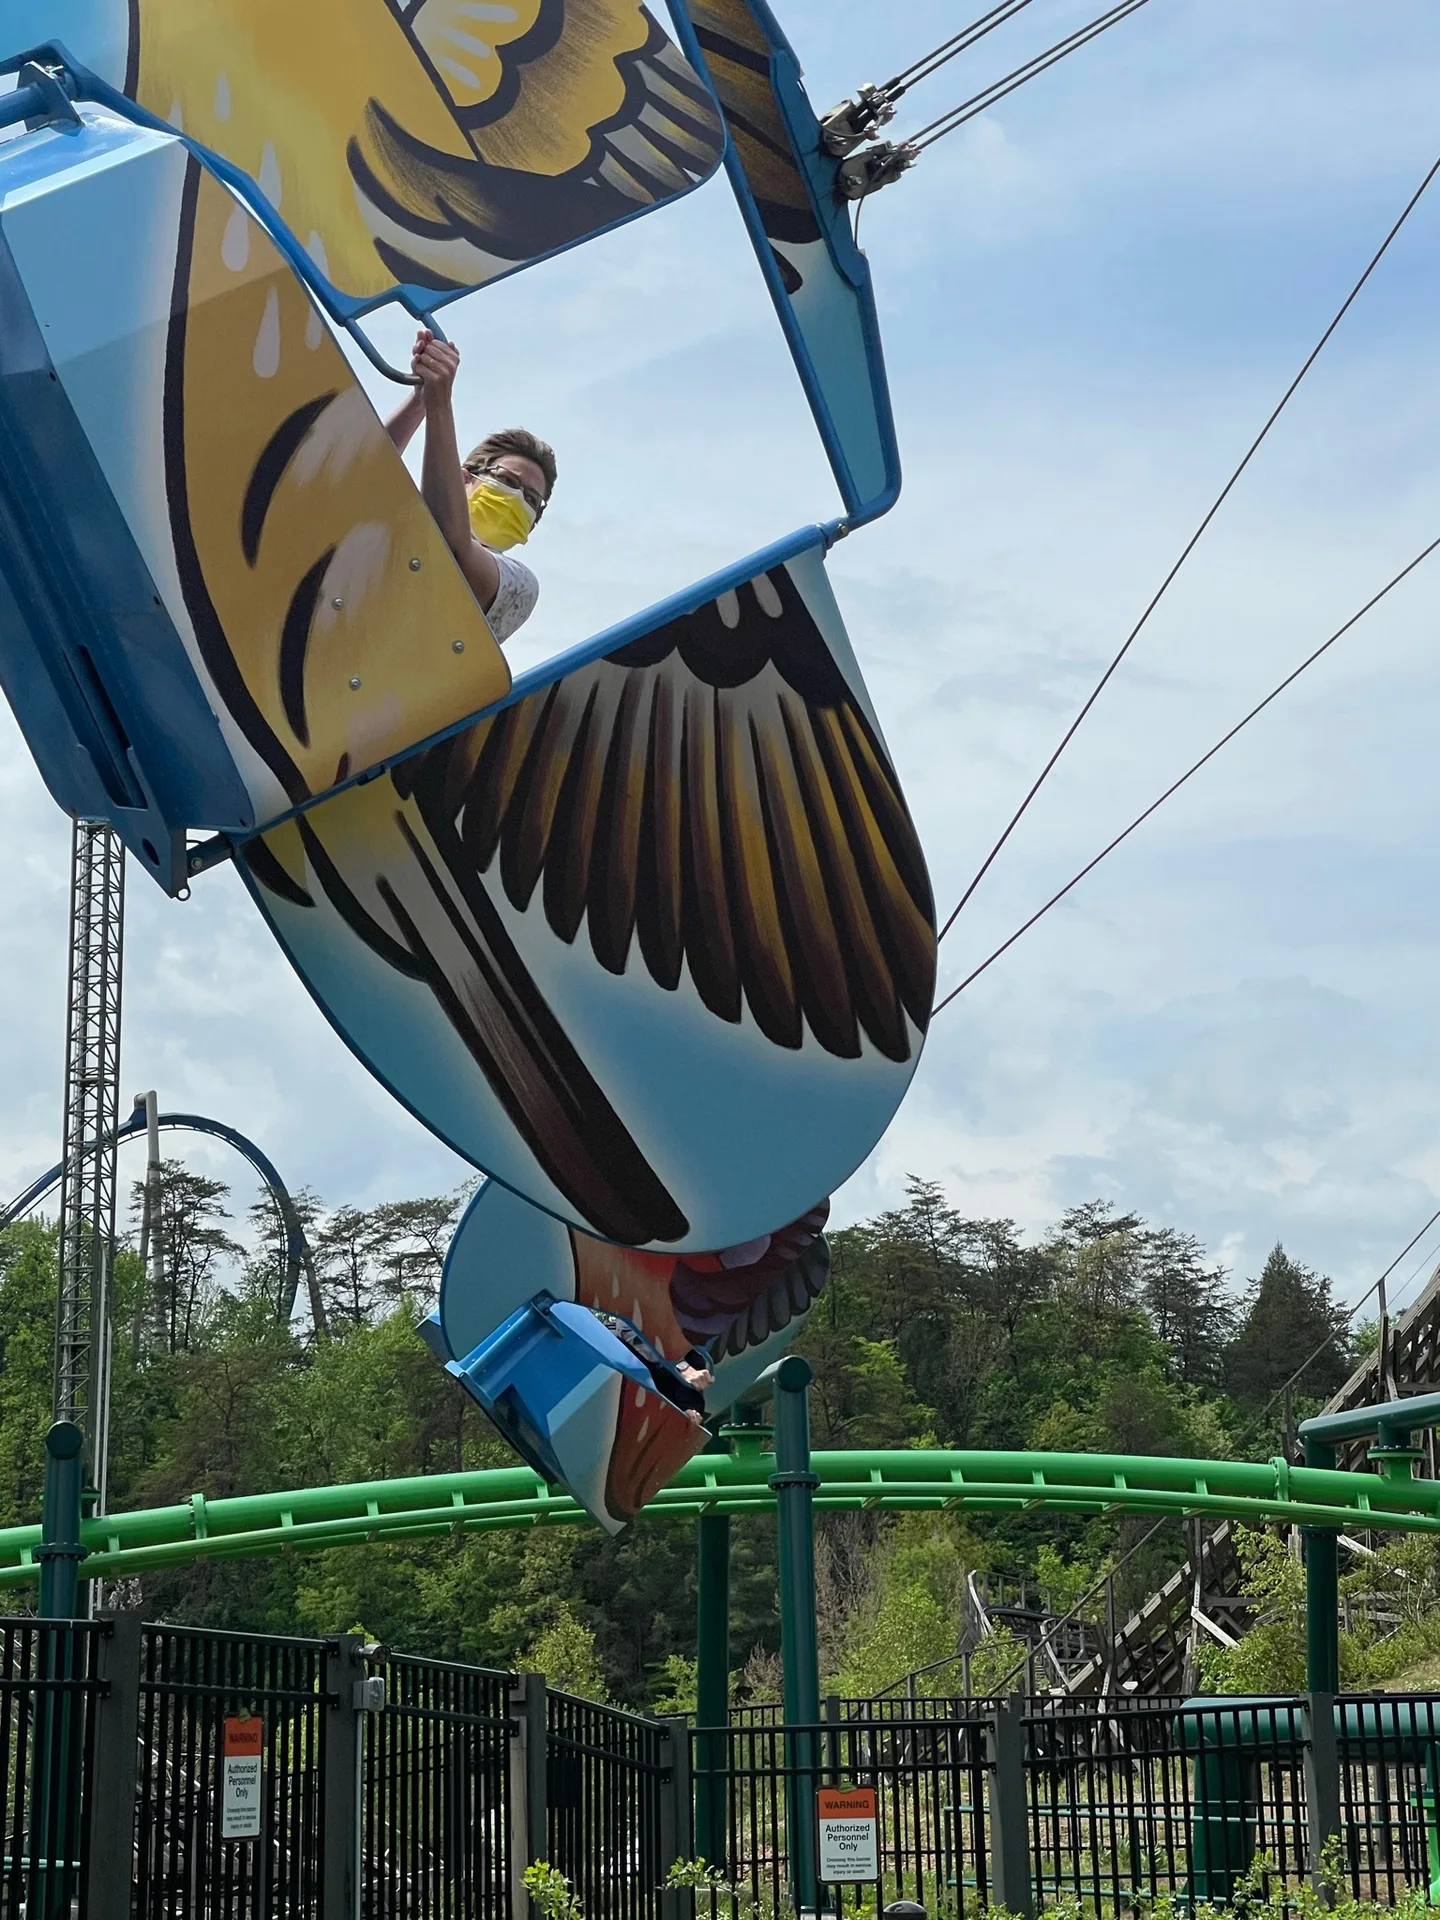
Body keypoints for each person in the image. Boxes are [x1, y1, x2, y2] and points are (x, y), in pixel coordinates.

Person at [384, 328, 555, 643]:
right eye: (507, 480)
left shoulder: (518, 584)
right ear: (464, 478)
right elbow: (352, 471)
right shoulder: (401, 522)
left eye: (531, 499)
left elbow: (450, 550)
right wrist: (420, 401)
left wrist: (440, 403)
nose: (517, 498)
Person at [589, 1309, 715, 1427]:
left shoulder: (692, 1355)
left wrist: (690, 1412)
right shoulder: (611, 1342)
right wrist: (681, 1366)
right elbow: (635, 1333)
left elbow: (689, 1410)